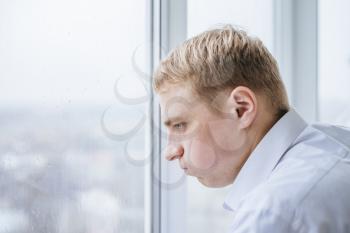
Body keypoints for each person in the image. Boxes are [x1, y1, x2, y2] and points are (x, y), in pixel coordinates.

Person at [152, 24, 350, 232]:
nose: (170, 151)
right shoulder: (336, 143)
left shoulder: (274, 212)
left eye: (180, 125)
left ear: (241, 109)